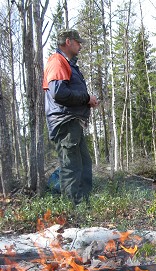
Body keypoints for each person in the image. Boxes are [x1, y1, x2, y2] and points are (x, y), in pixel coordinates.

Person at [43, 29, 99, 205]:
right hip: (65, 122)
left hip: (72, 122)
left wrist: (86, 101)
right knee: (71, 167)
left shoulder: (67, 63)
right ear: (68, 42)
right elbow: (58, 93)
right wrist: (86, 98)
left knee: (83, 164)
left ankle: (84, 206)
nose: (80, 45)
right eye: (78, 42)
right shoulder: (57, 62)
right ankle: (73, 210)